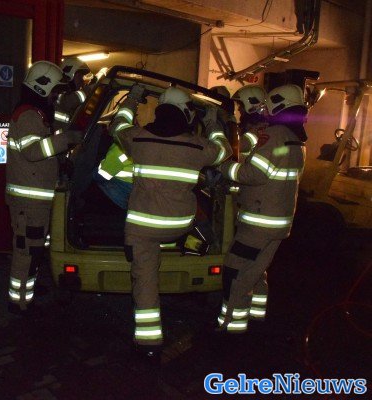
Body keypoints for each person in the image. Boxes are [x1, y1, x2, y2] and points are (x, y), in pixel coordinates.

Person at [109, 85, 232, 361]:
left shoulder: (137, 138)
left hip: (142, 228)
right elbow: (224, 150)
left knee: (145, 279)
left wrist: (133, 99)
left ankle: (149, 341)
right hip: (179, 225)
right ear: (186, 113)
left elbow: (116, 127)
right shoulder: (198, 146)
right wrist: (212, 123)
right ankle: (194, 243)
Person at [216, 84, 308, 333]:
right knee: (256, 270)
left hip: (258, 222)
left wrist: (224, 168)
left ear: (279, 105)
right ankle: (256, 317)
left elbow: (254, 174)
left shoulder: (274, 135)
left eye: (268, 105)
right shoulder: (297, 138)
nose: (264, 110)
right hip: (278, 222)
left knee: (236, 270)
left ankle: (231, 326)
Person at [5, 61, 83, 314]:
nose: (55, 96)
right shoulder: (28, 115)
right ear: (42, 87)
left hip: (34, 199)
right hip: (29, 201)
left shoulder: (35, 114)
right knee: (27, 252)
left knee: (33, 251)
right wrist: (65, 140)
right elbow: (32, 151)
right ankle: (20, 302)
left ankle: (26, 293)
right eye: (54, 90)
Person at [53, 58, 93, 129]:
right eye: (80, 76)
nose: (82, 81)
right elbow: (68, 102)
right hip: (57, 135)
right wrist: (92, 89)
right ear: (70, 75)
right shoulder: (58, 91)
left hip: (64, 134)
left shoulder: (69, 93)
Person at [232, 85, 268, 161]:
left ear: (251, 106)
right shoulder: (249, 126)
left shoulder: (258, 131)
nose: (238, 109)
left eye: (241, 105)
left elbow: (232, 147)